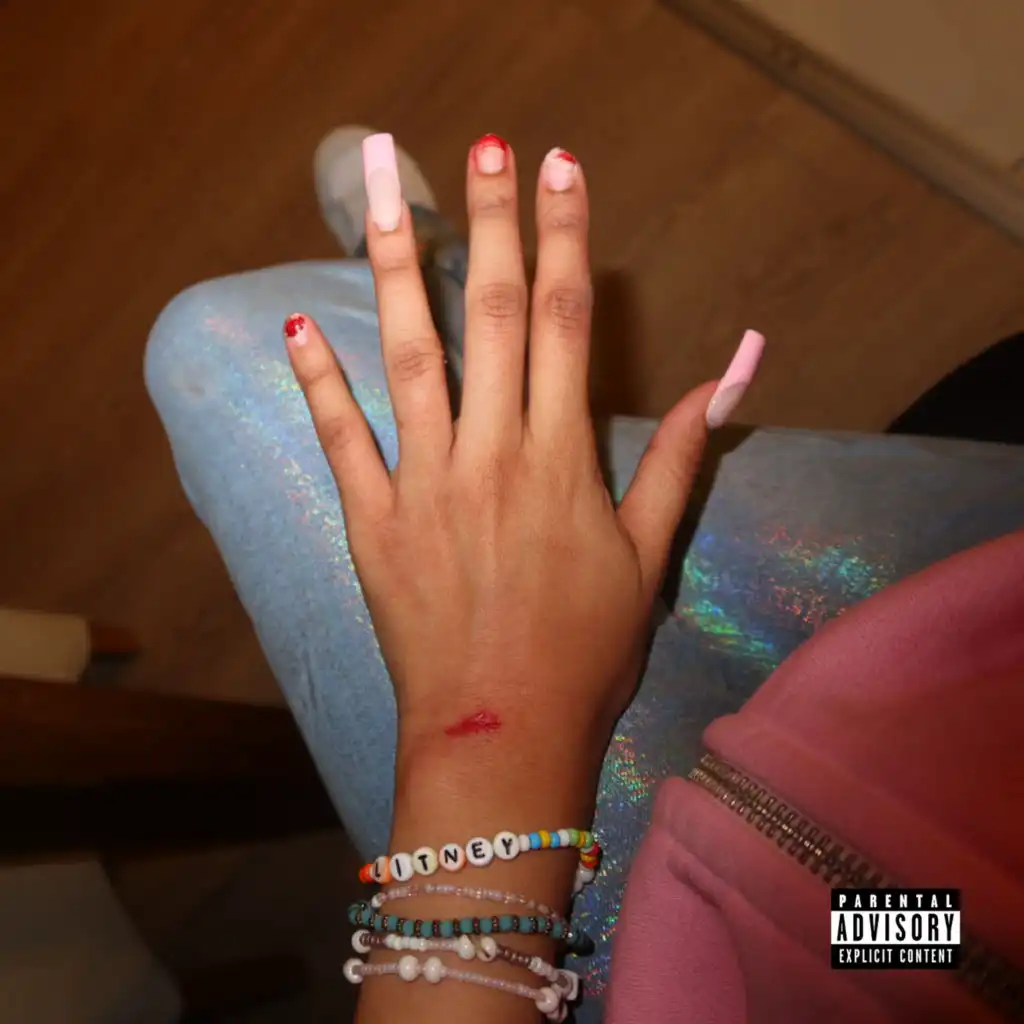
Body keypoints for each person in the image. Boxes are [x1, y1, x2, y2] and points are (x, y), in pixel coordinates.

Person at [146, 130, 1024, 1022]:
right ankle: (448, 277)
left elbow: (882, 944)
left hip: (715, 937)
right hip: (969, 680)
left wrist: (485, 729)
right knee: (485, 463)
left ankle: (443, 275)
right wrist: (934, 929)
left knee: (214, 349)